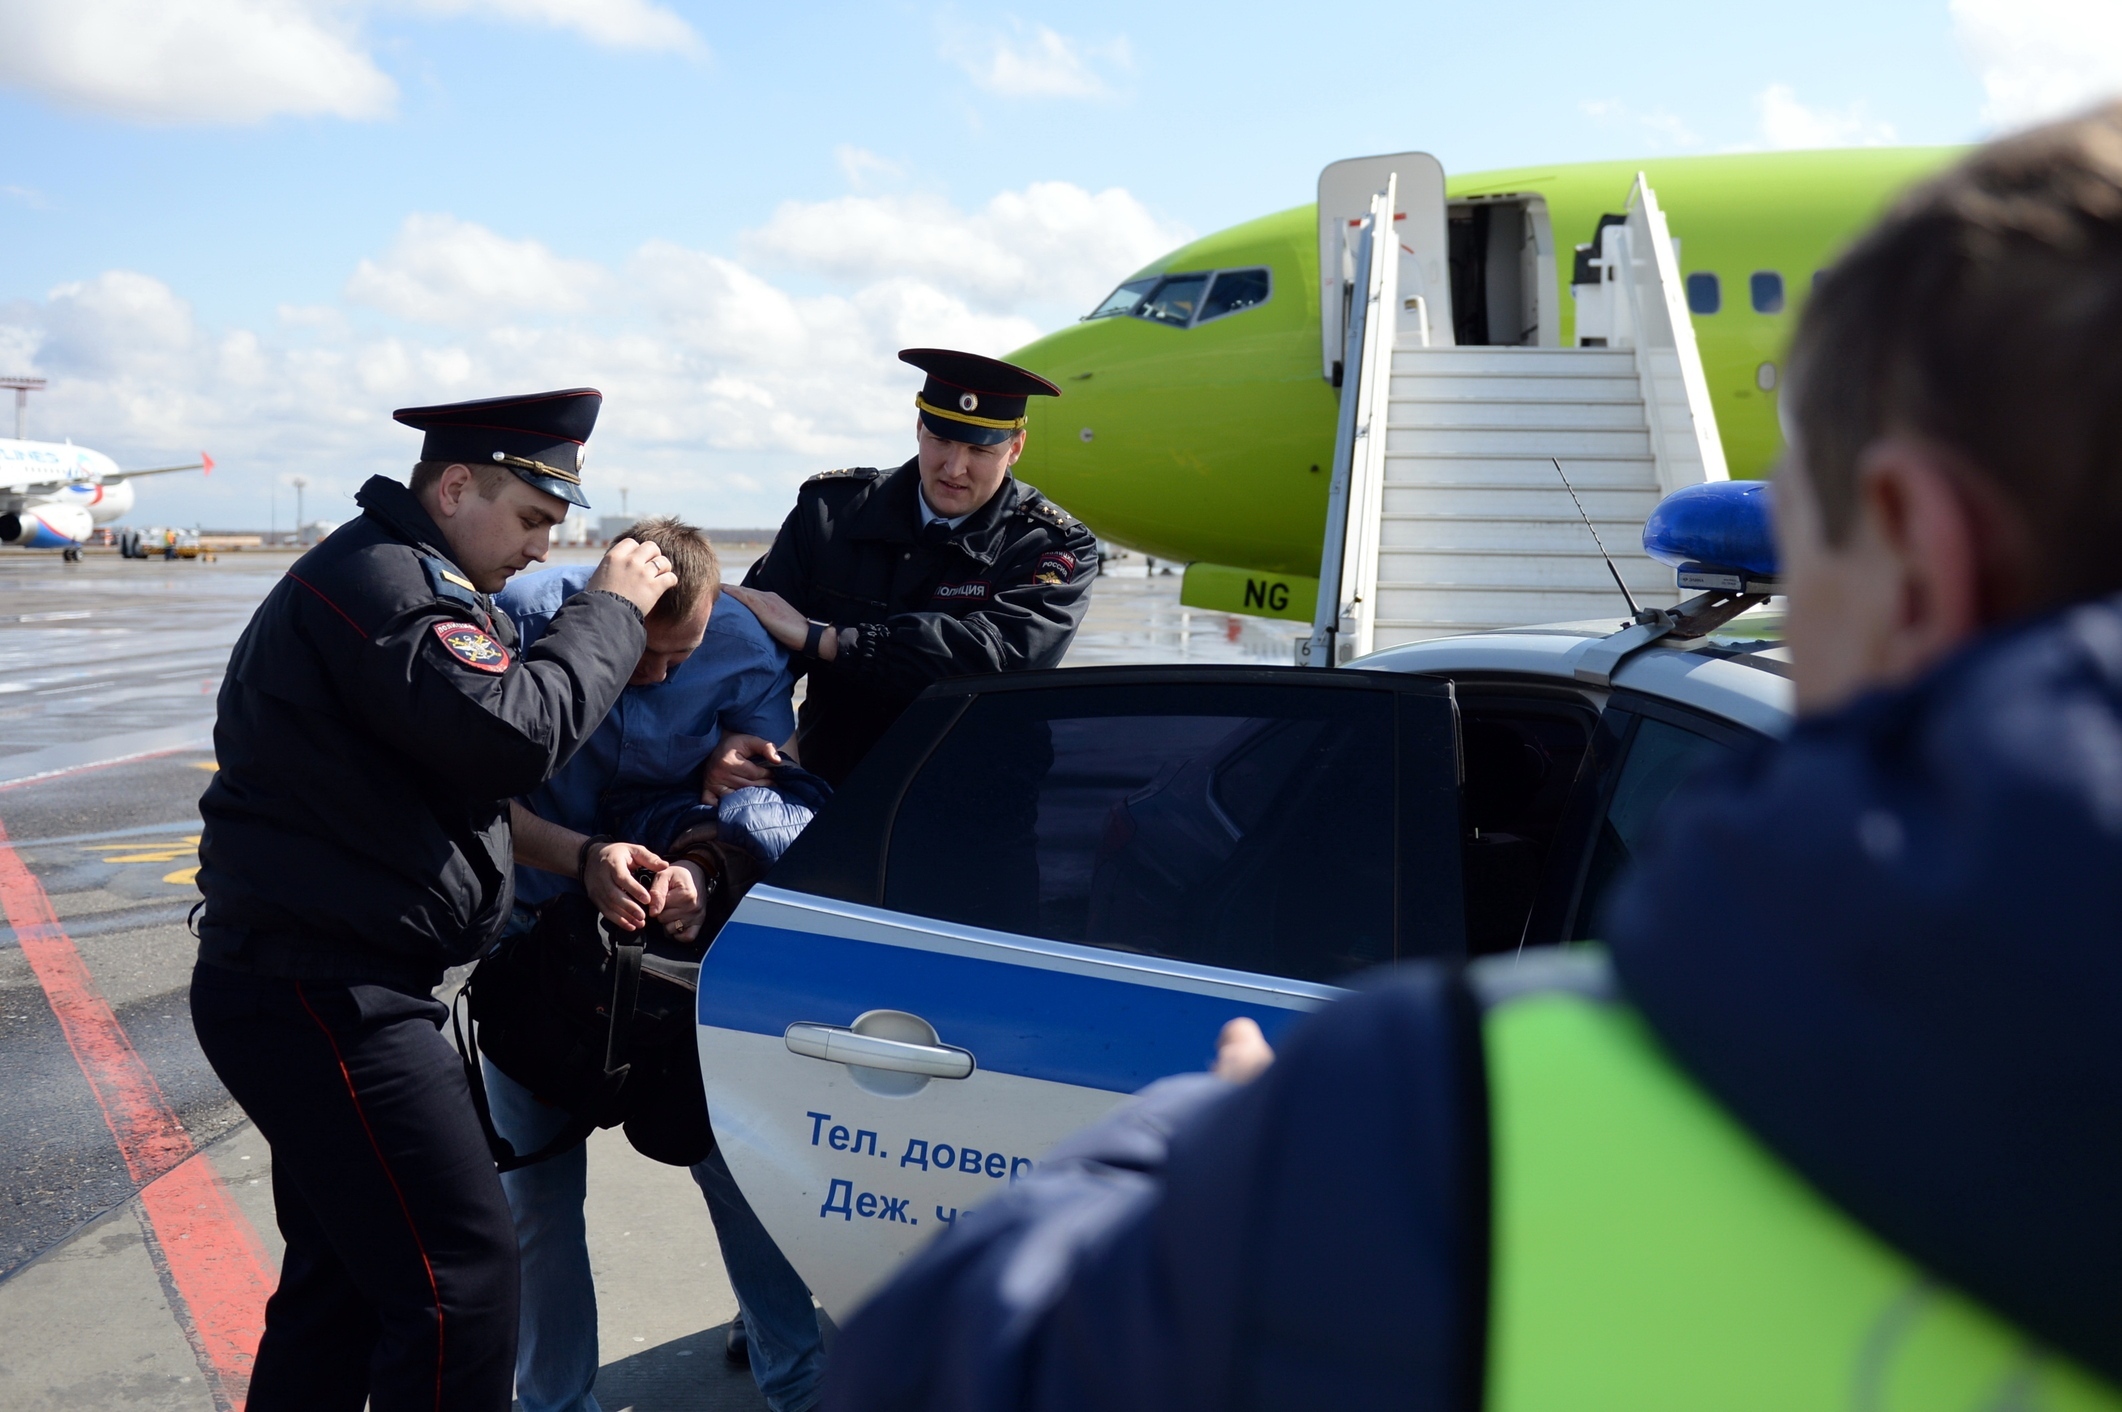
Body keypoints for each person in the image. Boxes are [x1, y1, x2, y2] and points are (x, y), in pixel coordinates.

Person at [821, 110, 2122, 1408]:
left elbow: (941, 1372)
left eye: (1807, 530)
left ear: (1911, 545)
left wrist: (1199, 1148)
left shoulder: (1440, 1128)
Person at [189, 389, 678, 1411]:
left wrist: (580, 852)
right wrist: (612, 608)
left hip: (322, 984)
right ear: (456, 486)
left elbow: (463, 784)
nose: (543, 549)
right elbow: (511, 735)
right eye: (535, 519)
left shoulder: (407, 578)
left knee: (345, 1282)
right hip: (329, 993)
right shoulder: (389, 588)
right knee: (461, 1277)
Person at [483, 515, 830, 1412]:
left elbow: (773, 799)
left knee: (740, 1170)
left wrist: (705, 854)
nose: (664, 678)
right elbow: (476, 797)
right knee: (538, 1203)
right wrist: (588, 859)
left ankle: (803, 1384)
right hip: (537, 947)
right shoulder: (527, 614)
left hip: (674, 954)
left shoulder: (741, 642)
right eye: (646, 656)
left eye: (684, 659)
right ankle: (556, 1403)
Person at [724, 348, 1099, 788]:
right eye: (941, 440)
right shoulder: (831, 515)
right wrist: (739, 740)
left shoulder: (1048, 545)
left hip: (975, 806)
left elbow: (995, 658)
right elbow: (751, 648)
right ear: (920, 427)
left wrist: (829, 640)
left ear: (1015, 447)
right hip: (835, 792)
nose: (954, 468)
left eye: (978, 449)